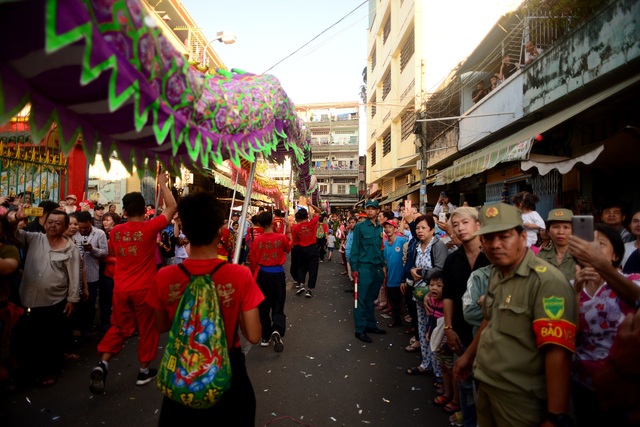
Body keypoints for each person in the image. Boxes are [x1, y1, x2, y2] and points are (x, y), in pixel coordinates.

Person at [454, 203, 577, 427]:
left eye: (505, 236)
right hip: (487, 386)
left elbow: (557, 352)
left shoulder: (547, 281)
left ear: (522, 236)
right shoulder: (497, 273)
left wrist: (555, 416)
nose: (496, 245)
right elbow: (490, 319)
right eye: (489, 238)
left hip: (520, 399)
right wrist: (468, 356)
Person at [146, 192, 263, 425]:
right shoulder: (239, 275)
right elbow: (254, 335)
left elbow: (161, 326)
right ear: (220, 230)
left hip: (183, 372)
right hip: (229, 371)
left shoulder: (164, 277)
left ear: (185, 229)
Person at [89, 171, 176, 395]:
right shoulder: (149, 228)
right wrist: (163, 184)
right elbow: (172, 207)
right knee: (147, 329)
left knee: (119, 327)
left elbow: (115, 253)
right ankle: (144, 370)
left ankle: (103, 363)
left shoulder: (115, 232)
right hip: (145, 289)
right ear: (144, 209)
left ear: (124, 211)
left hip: (121, 288)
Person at [567, 224, 640, 425]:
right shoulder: (569, 285)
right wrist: (574, 293)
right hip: (582, 382)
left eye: (599, 245)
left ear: (615, 255)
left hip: (623, 383)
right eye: (587, 244)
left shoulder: (633, 280)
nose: (591, 249)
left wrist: (602, 267)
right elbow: (570, 335)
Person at [9, 209, 80, 386]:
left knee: (50, 339)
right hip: (28, 298)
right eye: (50, 222)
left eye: (57, 223)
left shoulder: (70, 248)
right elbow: (13, 233)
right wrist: (17, 218)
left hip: (54, 300)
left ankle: (50, 371)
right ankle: (28, 371)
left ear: (64, 227)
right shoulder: (34, 238)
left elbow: (74, 276)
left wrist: (72, 299)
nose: (52, 225)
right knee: (28, 337)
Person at [439, 207, 491, 427]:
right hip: (460, 329)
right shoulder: (453, 260)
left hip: (489, 333)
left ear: (478, 225)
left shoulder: (492, 255)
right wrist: (449, 329)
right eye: (456, 225)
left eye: (465, 223)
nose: (460, 228)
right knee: (466, 383)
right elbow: (449, 296)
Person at [250, 211, 291, 352]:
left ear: (260, 224)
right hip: (277, 274)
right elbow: (288, 249)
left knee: (263, 307)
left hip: (262, 275)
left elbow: (253, 262)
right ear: (273, 221)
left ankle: (265, 337)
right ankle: (277, 330)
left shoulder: (256, 241)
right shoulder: (281, 237)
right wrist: (288, 230)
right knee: (278, 304)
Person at [350, 199, 386, 343]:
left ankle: (371, 325)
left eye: (373, 208)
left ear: (378, 211)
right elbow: (355, 248)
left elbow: (381, 248)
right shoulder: (359, 227)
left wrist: (383, 265)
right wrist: (354, 268)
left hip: (377, 268)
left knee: (371, 299)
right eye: (368, 208)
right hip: (363, 268)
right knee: (360, 300)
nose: (370, 211)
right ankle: (360, 330)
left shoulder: (380, 228)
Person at [74, 211, 108, 335]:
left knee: (90, 304)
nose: (82, 230)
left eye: (85, 228)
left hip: (92, 275)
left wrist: (92, 249)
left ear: (91, 223)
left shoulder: (99, 234)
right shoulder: (73, 233)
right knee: (76, 305)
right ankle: (77, 328)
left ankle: (88, 329)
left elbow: (105, 252)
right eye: (80, 227)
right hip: (75, 277)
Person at [291, 202, 322, 298]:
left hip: (302, 248)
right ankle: (310, 289)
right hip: (312, 248)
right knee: (313, 269)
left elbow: (295, 240)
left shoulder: (295, 228)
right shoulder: (312, 223)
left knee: (301, 267)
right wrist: (311, 205)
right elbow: (319, 211)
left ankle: (301, 284)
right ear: (307, 215)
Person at [537, 208, 577, 280]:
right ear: (548, 231)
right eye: (555, 227)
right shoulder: (541, 256)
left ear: (573, 231)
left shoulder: (580, 257)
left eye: (566, 227)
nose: (561, 232)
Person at [382, 219, 407, 328]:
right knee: (394, 302)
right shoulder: (385, 244)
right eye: (386, 227)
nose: (387, 229)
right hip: (391, 277)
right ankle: (397, 321)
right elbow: (385, 261)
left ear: (395, 228)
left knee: (406, 302)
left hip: (402, 278)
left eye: (390, 227)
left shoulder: (402, 241)